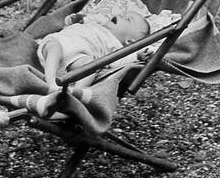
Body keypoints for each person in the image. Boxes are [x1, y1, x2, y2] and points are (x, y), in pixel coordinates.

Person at [23, 9, 151, 116]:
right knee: (53, 49)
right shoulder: (95, 24)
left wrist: (137, 55)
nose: (120, 16)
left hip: (80, 56)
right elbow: (69, 23)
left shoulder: (116, 46)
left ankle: (74, 94)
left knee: (90, 67)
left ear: (130, 41)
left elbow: (119, 61)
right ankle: (50, 83)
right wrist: (74, 19)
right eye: (123, 14)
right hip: (59, 42)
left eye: (128, 20)